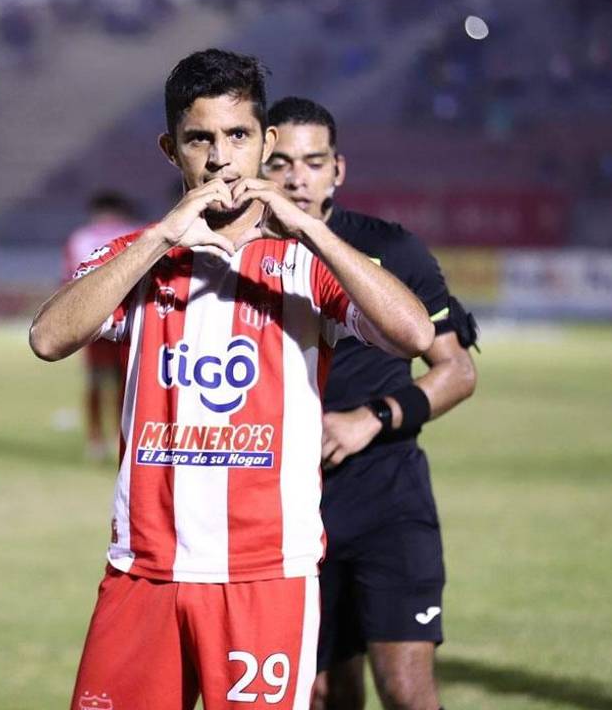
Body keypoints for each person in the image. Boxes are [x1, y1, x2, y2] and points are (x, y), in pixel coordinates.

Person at [29, 49, 435, 710]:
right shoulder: (143, 259)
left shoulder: (304, 263)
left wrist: (306, 227)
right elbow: (49, 338)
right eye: (200, 139)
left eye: (238, 136)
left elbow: (413, 334)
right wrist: (163, 236)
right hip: (145, 572)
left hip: (264, 575)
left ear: (265, 141)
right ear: (171, 149)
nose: (221, 159)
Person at [263, 97, 477, 710]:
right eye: (279, 163)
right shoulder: (240, 257)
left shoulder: (392, 252)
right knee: (325, 692)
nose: (297, 177)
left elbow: (456, 371)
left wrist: (370, 418)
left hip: (388, 500)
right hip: (291, 512)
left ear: (339, 170)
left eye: (313, 161)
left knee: (407, 690)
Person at [62, 191, 140, 460]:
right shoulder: (134, 234)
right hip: (126, 317)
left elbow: (70, 278)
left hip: (91, 316)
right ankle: (124, 437)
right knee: (125, 382)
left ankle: (95, 440)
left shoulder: (81, 237)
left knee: (96, 380)